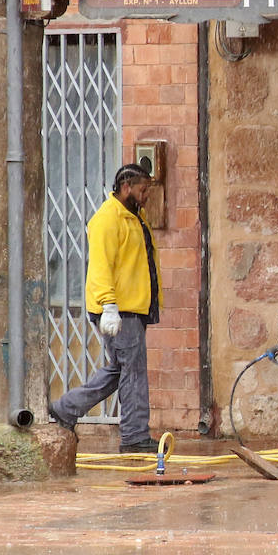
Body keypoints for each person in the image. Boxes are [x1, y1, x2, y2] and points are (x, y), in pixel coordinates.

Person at [49, 163, 162, 453]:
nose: (145, 194)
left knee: (119, 369)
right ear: (127, 188)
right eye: (142, 189)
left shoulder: (134, 217)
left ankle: (65, 408)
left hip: (132, 307)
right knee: (133, 372)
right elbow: (101, 266)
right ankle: (135, 436)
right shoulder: (107, 219)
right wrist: (108, 305)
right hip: (119, 310)